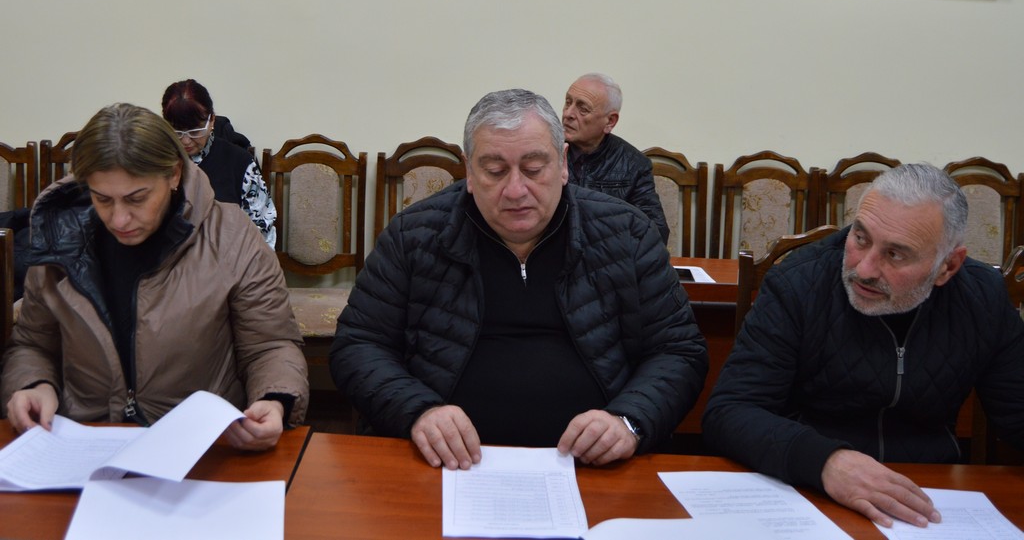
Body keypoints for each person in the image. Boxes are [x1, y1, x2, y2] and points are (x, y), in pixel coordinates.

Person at [331, 89, 707, 470]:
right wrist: (417, 411)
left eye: (534, 168)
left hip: (595, 468)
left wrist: (628, 420)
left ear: (563, 164)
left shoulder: (627, 233)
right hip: (445, 466)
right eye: (495, 171)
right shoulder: (414, 235)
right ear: (469, 172)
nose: (515, 191)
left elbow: (679, 350)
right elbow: (358, 344)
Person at [702, 163, 1024, 529]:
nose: (865, 269)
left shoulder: (981, 298)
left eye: (895, 254)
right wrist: (826, 461)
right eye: (860, 238)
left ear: (947, 267)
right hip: (809, 492)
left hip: (930, 499)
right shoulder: (799, 284)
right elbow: (730, 412)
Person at [2, 104, 308, 451]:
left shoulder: (232, 237)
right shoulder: (61, 236)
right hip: (85, 442)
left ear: (174, 174)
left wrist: (273, 399)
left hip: (199, 446)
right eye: (102, 199)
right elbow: (33, 344)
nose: (119, 219)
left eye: (137, 198)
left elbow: (269, 345)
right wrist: (35, 385)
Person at [161, 78, 277, 247]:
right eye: (177, 131)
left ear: (212, 120)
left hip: (229, 258)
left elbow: (263, 229)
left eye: (195, 131)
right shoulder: (156, 162)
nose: (186, 140)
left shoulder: (240, 162)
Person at [561, 73, 669, 244]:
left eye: (583, 109)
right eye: (568, 102)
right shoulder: (547, 153)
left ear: (610, 121)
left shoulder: (633, 164)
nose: (568, 113)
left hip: (608, 257)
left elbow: (656, 232)